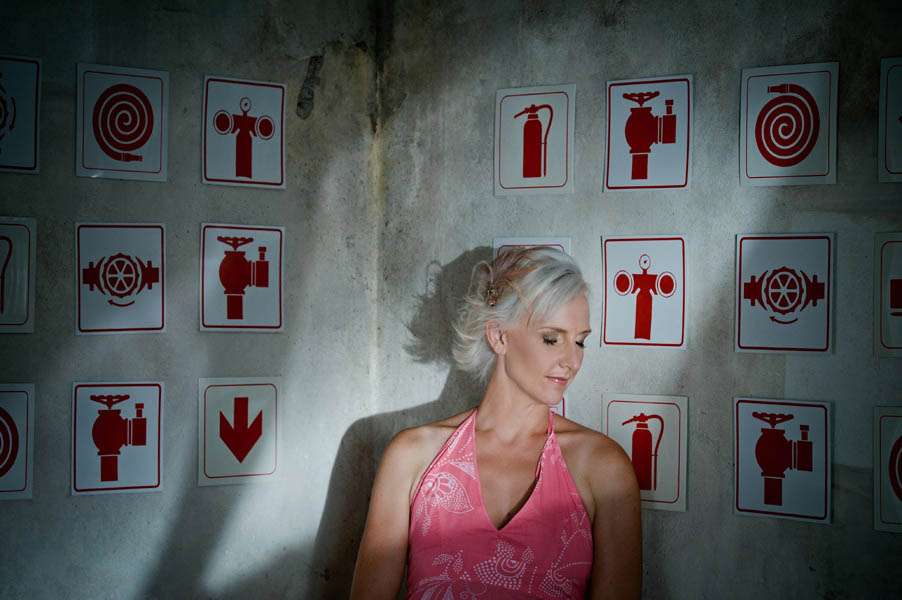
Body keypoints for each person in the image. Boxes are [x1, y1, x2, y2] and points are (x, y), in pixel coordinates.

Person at [351, 247, 641, 599]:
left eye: (580, 341)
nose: (573, 360)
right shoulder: (412, 457)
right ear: (498, 335)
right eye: (552, 339)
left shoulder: (603, 467)